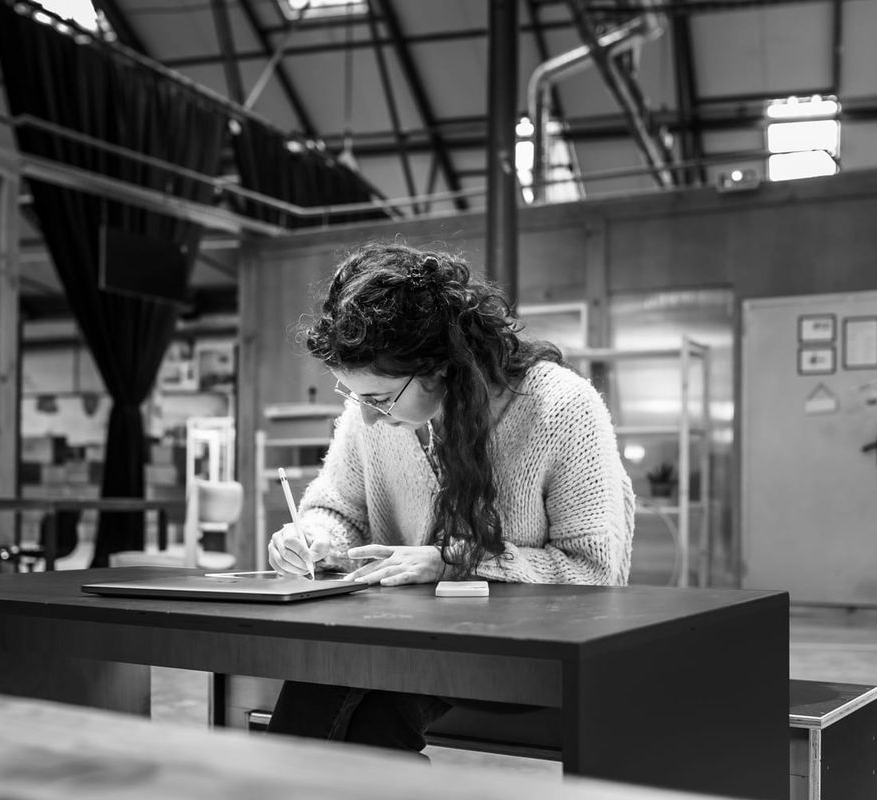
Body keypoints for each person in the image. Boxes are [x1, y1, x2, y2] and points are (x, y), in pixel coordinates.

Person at [265, 241, 636, 757]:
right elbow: (337, 507)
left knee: (352, 699)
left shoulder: (562, 409)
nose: (366, 417)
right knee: (331, 683)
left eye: (377, 399)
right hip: (407, 638)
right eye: (351, 396)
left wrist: (450, 562)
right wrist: (316, 539)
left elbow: (596, 573)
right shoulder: (372, 413)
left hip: (526, 650)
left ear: (441, 367)